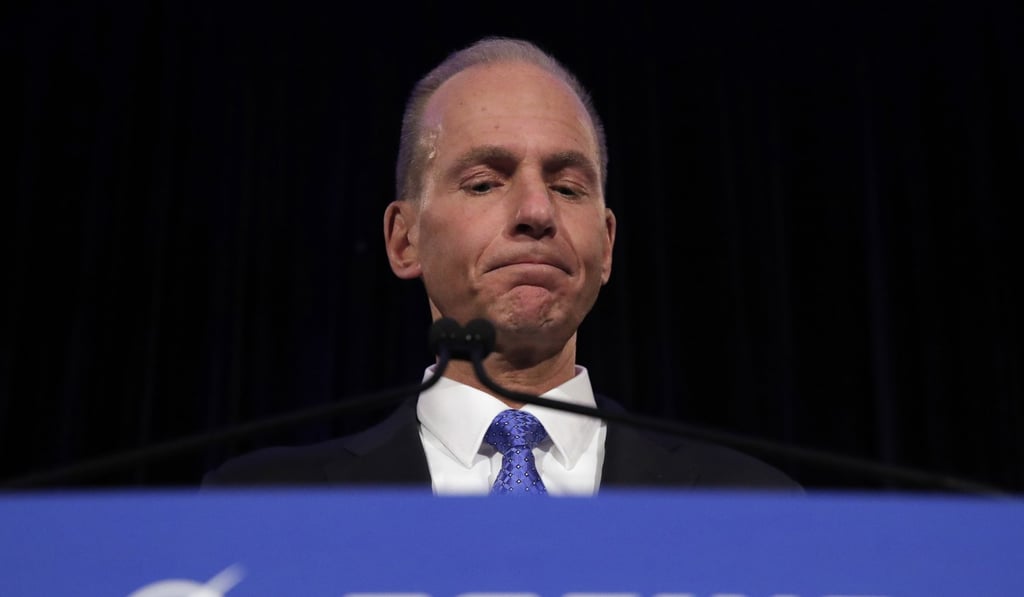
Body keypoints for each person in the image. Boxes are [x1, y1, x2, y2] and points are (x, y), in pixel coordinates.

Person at [202, 36, 801, 494]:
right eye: (485, 183)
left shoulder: (754, 504)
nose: (537, 212)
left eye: (568, 188)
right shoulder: (262, 503)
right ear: (404, 240)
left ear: (608, 244)